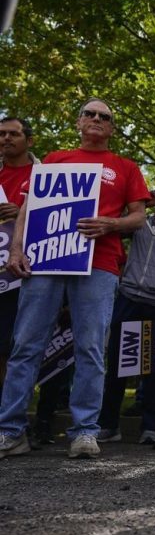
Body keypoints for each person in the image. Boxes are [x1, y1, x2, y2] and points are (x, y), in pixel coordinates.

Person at [0, 98, 150, 460]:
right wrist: (16, 251)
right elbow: (28, 210)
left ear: (112, 128)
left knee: (91, 348)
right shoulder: (53, 160)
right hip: (45, 261)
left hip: (99, 264)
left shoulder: (125, 167)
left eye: (105, 117)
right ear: (79, 122)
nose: (97, 119)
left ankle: (84, 432)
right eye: (90, 114)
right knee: (25, 346)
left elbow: (139, 217)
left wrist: (110, 224)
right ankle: (11, 431)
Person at [96, 183, 155, 446]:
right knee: (117, 365)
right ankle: (109, 425)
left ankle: (151, 427)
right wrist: (144, 205)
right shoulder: (138, 225)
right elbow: (114, 218)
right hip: (129, 298)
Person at [0, 117, 39, 400]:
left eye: (13, 134)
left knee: (14, 347)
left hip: (25, 274)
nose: (6, 139)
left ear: (29, 140)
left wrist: (23, 215)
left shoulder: (45, 174)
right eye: (1, 134)